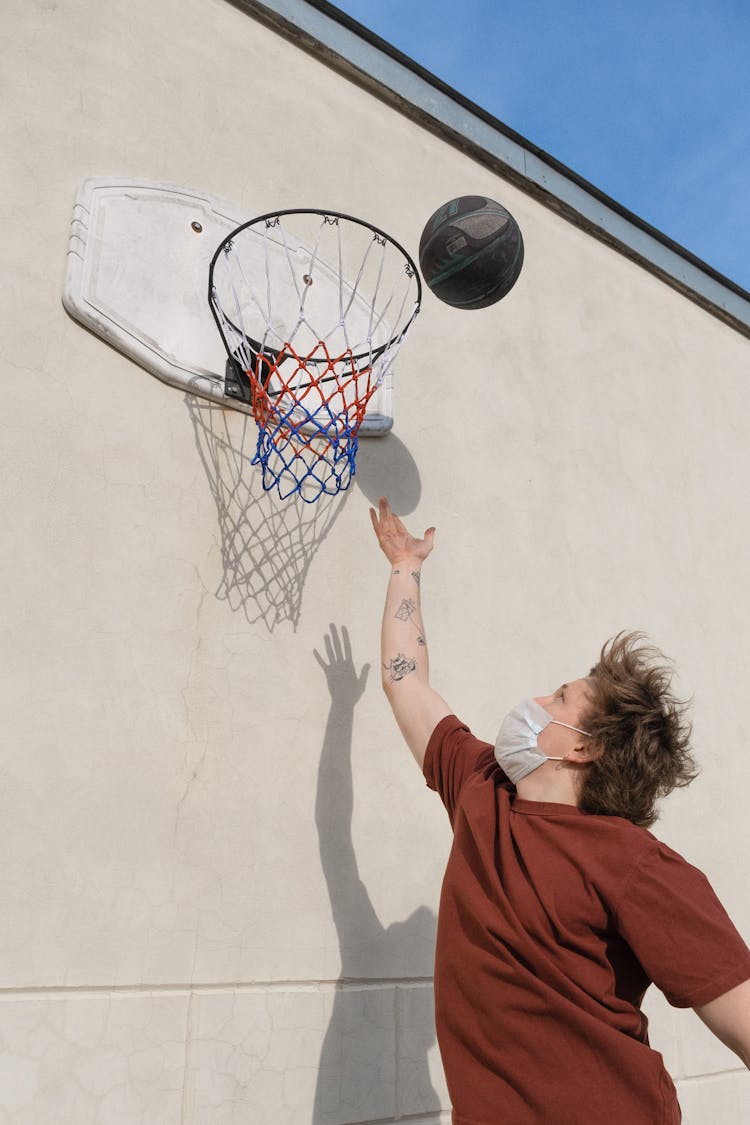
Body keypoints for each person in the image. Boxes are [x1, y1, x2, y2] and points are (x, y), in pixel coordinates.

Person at [369, 497, 750, 1125]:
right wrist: (405, 567)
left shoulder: (634, 866)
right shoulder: (479, 786)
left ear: (582, 747)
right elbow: (405, 680)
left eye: (561, 695)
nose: (537, 697)